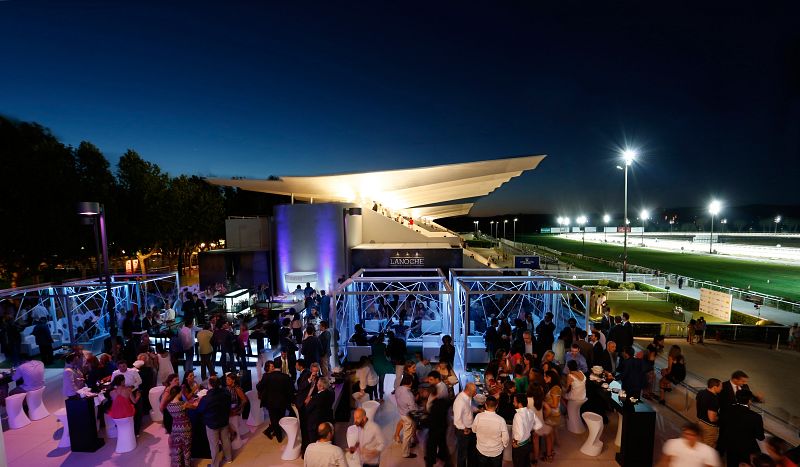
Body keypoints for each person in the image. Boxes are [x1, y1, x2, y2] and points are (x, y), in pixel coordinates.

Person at [719, 389, 764, 467]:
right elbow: (760, 437)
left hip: (730, 448)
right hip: (747, 450)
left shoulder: (726, 411)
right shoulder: (756, 417)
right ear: (749, 401)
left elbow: (722, 428)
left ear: (736, 398)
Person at [197, 375, 233, 467]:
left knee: (214, 445)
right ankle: (229, 458)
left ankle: (215, 465)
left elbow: (200, 410)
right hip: (224, 420)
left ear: (210, 385)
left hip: (212, 423)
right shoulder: (226, 393)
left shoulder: (206, 398)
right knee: (226, 440)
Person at [257, 359, 295, 442]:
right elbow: (291, 390)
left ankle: (278, 437)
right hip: (283, 402)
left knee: (274, 419)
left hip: (270, 402)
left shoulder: (267, 376)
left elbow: (259, 387)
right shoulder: (286, 377)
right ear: (281, 366)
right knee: (280, 418)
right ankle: (275, 433)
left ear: (274, 366)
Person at [164, 384, 198, 467]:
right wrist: (196, 402)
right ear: (178, 393)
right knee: (187, 449)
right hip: (186, 427)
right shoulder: (183, 404)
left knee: (177, 449)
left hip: (175, 427)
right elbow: (194, 407)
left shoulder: (168, 405)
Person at [473, 395, 509, 467]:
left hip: (481, 449)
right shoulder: (501, 420)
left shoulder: (478, 417)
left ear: (485, 405)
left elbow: (474, 430)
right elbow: (505, 438)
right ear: (496, 406)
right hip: (496, 451)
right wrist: (504, 445)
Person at [425, 384, 452, 467]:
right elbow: (450, 402)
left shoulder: (433, 405)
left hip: (434, 430)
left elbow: (430, 420)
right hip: (443, 428)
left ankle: (430, 462)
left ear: (430, 393)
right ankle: (445, 461)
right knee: (443, 445)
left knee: (431, 447)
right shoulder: (443, 401)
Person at [306, 377, 335, 453]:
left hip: (316, 422)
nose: (316, 385)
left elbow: (307, 409)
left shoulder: (317, 398)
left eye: (317, 384)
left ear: (321, 386)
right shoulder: (332, 392)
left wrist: (310, 400)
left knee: (313, 441)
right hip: (327, 418)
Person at [512, 393, 541, 467]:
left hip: (520, 446)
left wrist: (515, 442)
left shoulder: (518, 415)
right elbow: (538, 425)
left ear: (520, 403)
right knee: (526, 462)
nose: (513, 403)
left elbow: (519, 434)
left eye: (514, 401)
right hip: (528, 443)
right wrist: (529, 429)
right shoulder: (530, 412)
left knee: (519, 463)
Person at [454, 382, 478, 467]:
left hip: (469, 428)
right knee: (462, 454)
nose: (476, 393)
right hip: (463, 431)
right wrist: (464, 429)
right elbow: (457, 419)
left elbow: (469, 408)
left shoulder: (467, 397)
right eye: (474, 391)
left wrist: (478, 410)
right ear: (468, 391)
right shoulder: (460, 401)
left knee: (470, 451)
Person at [395, 374, 418, 458]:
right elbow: (413, 409)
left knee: (407, 432)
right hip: (407, 416)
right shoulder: (409, 395)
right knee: (407, 434)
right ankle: (406, 453)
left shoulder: (398, 388)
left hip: (401, 412)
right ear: (410, 383)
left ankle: (409, 445)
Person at [696, 378, 722, 449]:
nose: (721, 388)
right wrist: (721, 418)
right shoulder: (714, 399)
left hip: (700, 422)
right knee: (708, 448)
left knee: (700, 443)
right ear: (714, 387)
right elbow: (712, 419)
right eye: (720, 386)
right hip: (709, 427)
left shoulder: (700, 392)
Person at [542, 369, 562, 459]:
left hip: (552, 416)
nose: (544, 378)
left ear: (550, 378)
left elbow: (555, 404)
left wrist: (543, 402)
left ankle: (548, 455)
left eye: (545, 376)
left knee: (548, 437)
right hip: (554, 415)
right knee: (551, 434)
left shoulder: (555, 389)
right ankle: (551, 451)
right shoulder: (555, 387)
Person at [225, 372, 248, 443]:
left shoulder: (237, 389)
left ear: (233, 380)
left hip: (234, 409)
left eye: (228, 379)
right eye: (226, 379)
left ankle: (233, 435)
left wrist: (238, 408)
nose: (227, 381)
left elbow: (244, 400)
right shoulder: (227, 388)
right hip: (228, 408)